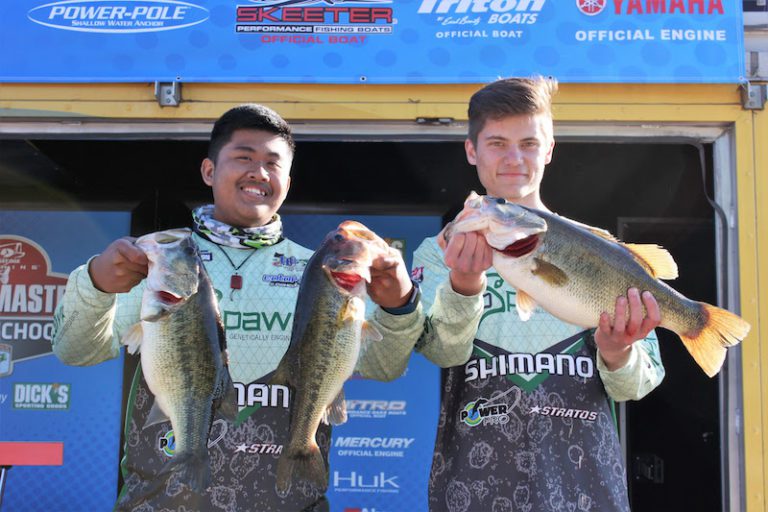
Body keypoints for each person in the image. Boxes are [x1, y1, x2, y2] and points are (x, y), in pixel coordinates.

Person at [51, 104, 423, 512]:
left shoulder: (320, 271)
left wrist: (400, 307)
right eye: (244, 157)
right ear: (209, 171)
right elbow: (77, 351)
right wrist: (97, 283)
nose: (259, 173)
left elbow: (384, 367)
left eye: (272, 163)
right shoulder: (160, 260)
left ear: (287, 181)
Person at [412, 77, 665, 511]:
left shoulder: (600, 248)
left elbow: (639, 384)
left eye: (529, 143)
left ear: (549, 150)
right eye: (497, 143)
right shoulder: (439, 253)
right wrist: (464, 285)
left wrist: (618, 352)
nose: (514, 158)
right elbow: (441, 352)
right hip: (473, 490)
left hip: (585, 488)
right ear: (472, 150)